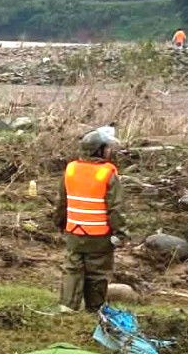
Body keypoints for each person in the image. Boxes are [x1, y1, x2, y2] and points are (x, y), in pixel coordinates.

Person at [54, 127, 126, 313]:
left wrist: (60, 223)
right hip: (99, 236)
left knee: (72, 269)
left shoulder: (71, 169)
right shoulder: (107, 173)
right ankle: (94, 310)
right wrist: (120, 232)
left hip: (74, 232)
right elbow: (115, 208)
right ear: (99, 150)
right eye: (107, 148)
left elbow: (62, 201)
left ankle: (67, 307)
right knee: (98, 272)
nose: (109, 151)